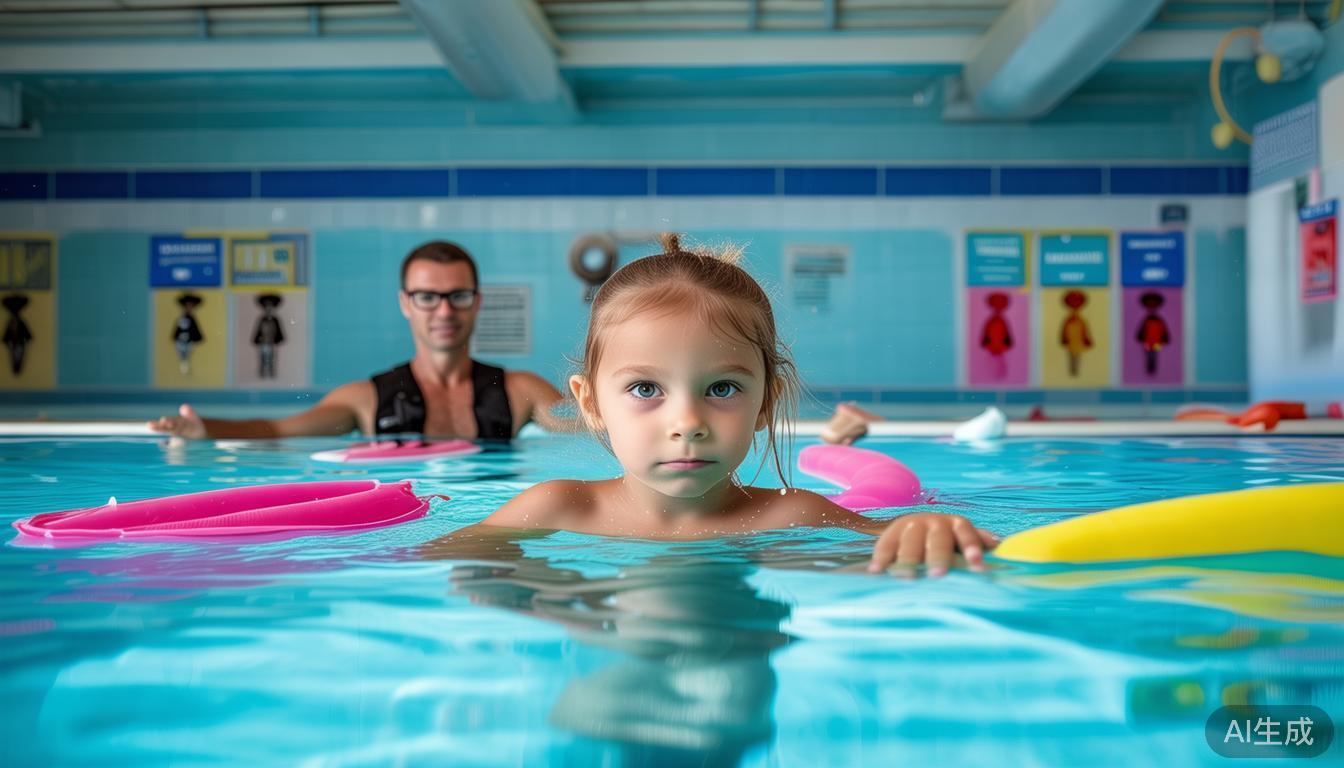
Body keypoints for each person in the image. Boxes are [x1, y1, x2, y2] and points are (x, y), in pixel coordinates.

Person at [460, 234, 996, 576]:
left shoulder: (792, 517)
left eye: (721, 389)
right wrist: (558, 600)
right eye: (646, 389)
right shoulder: (559, 508)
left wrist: (932, 529)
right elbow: (455, 568)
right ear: (592, 403)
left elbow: (918, 541)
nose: (688, 424)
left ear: (767, 402)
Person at [149, 241, 568, 440]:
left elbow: (588, 428)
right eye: (427, 298)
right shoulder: (364, 400)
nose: (444, 312)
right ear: (405, 303)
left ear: (476, 302)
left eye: (457, 296)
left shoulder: (518, 391)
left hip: (490, 525)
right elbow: (276, 430)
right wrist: (209, 430)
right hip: (403, 534)